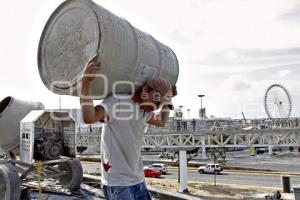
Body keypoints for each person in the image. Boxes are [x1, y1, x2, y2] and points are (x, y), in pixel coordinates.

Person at [80, 57, 177, 200]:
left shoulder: (145, 112)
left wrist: (168, 102)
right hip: (118, 183)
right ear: (145, 90)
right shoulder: (118, 102)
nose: (157, 106)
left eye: (160, 104)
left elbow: (162, 121)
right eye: (156, 100)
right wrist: (86, 83)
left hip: (138, 180)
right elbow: (90, 117)